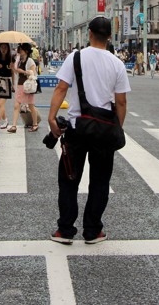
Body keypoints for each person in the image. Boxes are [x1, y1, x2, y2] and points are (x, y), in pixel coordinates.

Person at [48, 17, 130, 245]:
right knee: (100, 181)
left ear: (89, 33)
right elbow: (121, 102)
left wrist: (51, 117)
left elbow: (61, 88)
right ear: (110, 37)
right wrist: (117, 128)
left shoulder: (75, 57)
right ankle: (93, 231)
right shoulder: (117, 64)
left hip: (76, 128)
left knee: (68, 180)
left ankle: (65, 230)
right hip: (104, 131)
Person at [10, 43, 41, 133]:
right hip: (20, 84)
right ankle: (14, 126)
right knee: (17, 105)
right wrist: (14, 68)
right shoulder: (19, 60)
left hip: (28, 86)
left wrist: (23, 71)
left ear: (26, 51)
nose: (19, 51)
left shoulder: (30, 61)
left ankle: (35, 124)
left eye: (21, 49)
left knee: (31, 105)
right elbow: (16, 72)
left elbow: (33, 74)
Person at [0, 43, 15, 128]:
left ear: (8, 49)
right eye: (2, 47)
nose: (3, 49)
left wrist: (13, 84)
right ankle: (6, 121)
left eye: (5, 47)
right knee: (0, 104)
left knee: (1, 103)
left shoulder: (11, 59)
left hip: (7, 81)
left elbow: (13, 73)